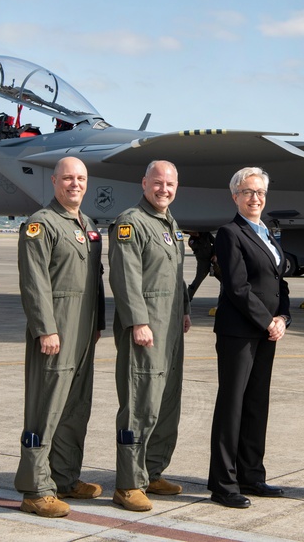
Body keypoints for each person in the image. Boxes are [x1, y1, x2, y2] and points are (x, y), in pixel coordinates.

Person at [15, 157, 106, 518]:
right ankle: (35, 488)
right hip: (56, 328)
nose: (75, 184)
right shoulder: (42, 224)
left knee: (75, 407)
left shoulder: (87, 224)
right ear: (54, 181)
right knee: (46, 408)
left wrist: (98, 322)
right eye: (68, 178)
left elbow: (94, 278)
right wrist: (45, 328)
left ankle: (65, 477)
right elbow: (34, 280)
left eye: (81, 178)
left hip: (84, 329)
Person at [107, 160, 191, 512]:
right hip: (146, 329)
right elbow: (125, 278)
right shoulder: (131, 223)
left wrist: (184, 308)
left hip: (171, 327)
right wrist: (138, 322)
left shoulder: (170, 223)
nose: (164, 189)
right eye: (158, 183)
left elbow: (175, 273)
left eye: (170, 184)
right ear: (144, 183)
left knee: (166, 404)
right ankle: (129, 483)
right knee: (140, 405)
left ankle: (152, 470)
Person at [207, 167, 290, 508]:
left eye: (260, 192)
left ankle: (252, 475)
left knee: (257, 404)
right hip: (239, 332)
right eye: (248, 192)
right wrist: (266, 321)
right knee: (232, 406)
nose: (255, 198)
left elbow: (280, 282)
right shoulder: (230, 233)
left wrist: (283, 316)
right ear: (235, 197)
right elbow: (237, 287)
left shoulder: (267, 233)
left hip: (266, 332)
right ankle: (224, 483)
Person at [186, 231, 216, 299]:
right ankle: (187, 298)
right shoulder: (191, 241)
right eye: (191, 233)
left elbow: (215, 242)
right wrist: (199, 236)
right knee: (197, 281)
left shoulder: (206, 234)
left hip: (213, 260)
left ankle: (224, 299)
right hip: (203, 263)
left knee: (224, 281)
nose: (192, 233)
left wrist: (215, 254)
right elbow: (198, 245)